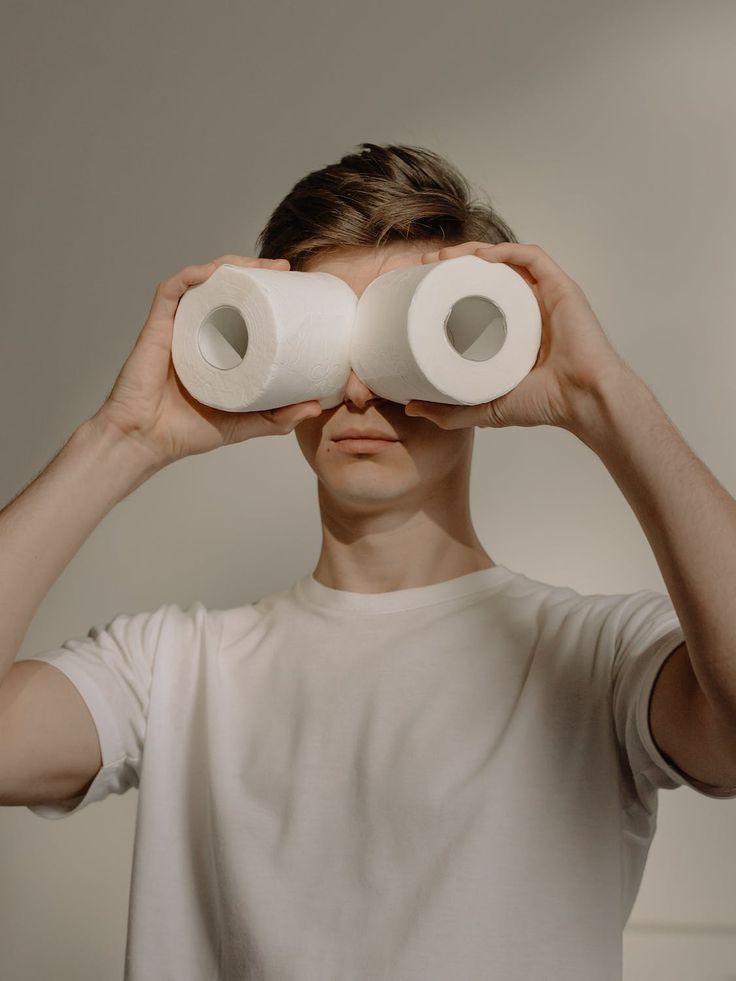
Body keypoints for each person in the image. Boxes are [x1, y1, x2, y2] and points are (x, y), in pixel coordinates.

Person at [1, 142, 735, 980]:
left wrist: (606, 398)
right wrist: (120, 438)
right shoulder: (175, 671)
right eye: (329, 341)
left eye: (399, 337)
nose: (360, 391)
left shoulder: (596, 661)